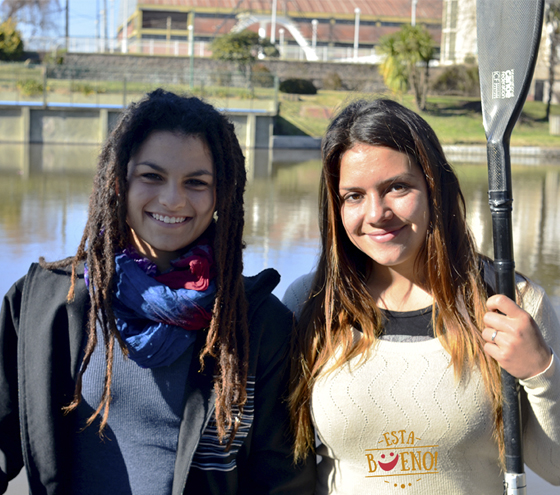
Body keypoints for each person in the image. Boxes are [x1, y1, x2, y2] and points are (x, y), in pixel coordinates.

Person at [0, 89, 315, 494]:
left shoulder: (258, 324)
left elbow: (285, 482)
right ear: (118, 181)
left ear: (221, 194)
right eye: (152, 176)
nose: (172, 199)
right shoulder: (45, 305)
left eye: (196, 182)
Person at [283, 99, 560, 494]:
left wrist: (540, 372)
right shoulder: (312, 304)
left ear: (435, 188)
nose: (377, 213)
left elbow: (555, 471)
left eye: (397, 187)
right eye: (354, 196)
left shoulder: (509, 303)